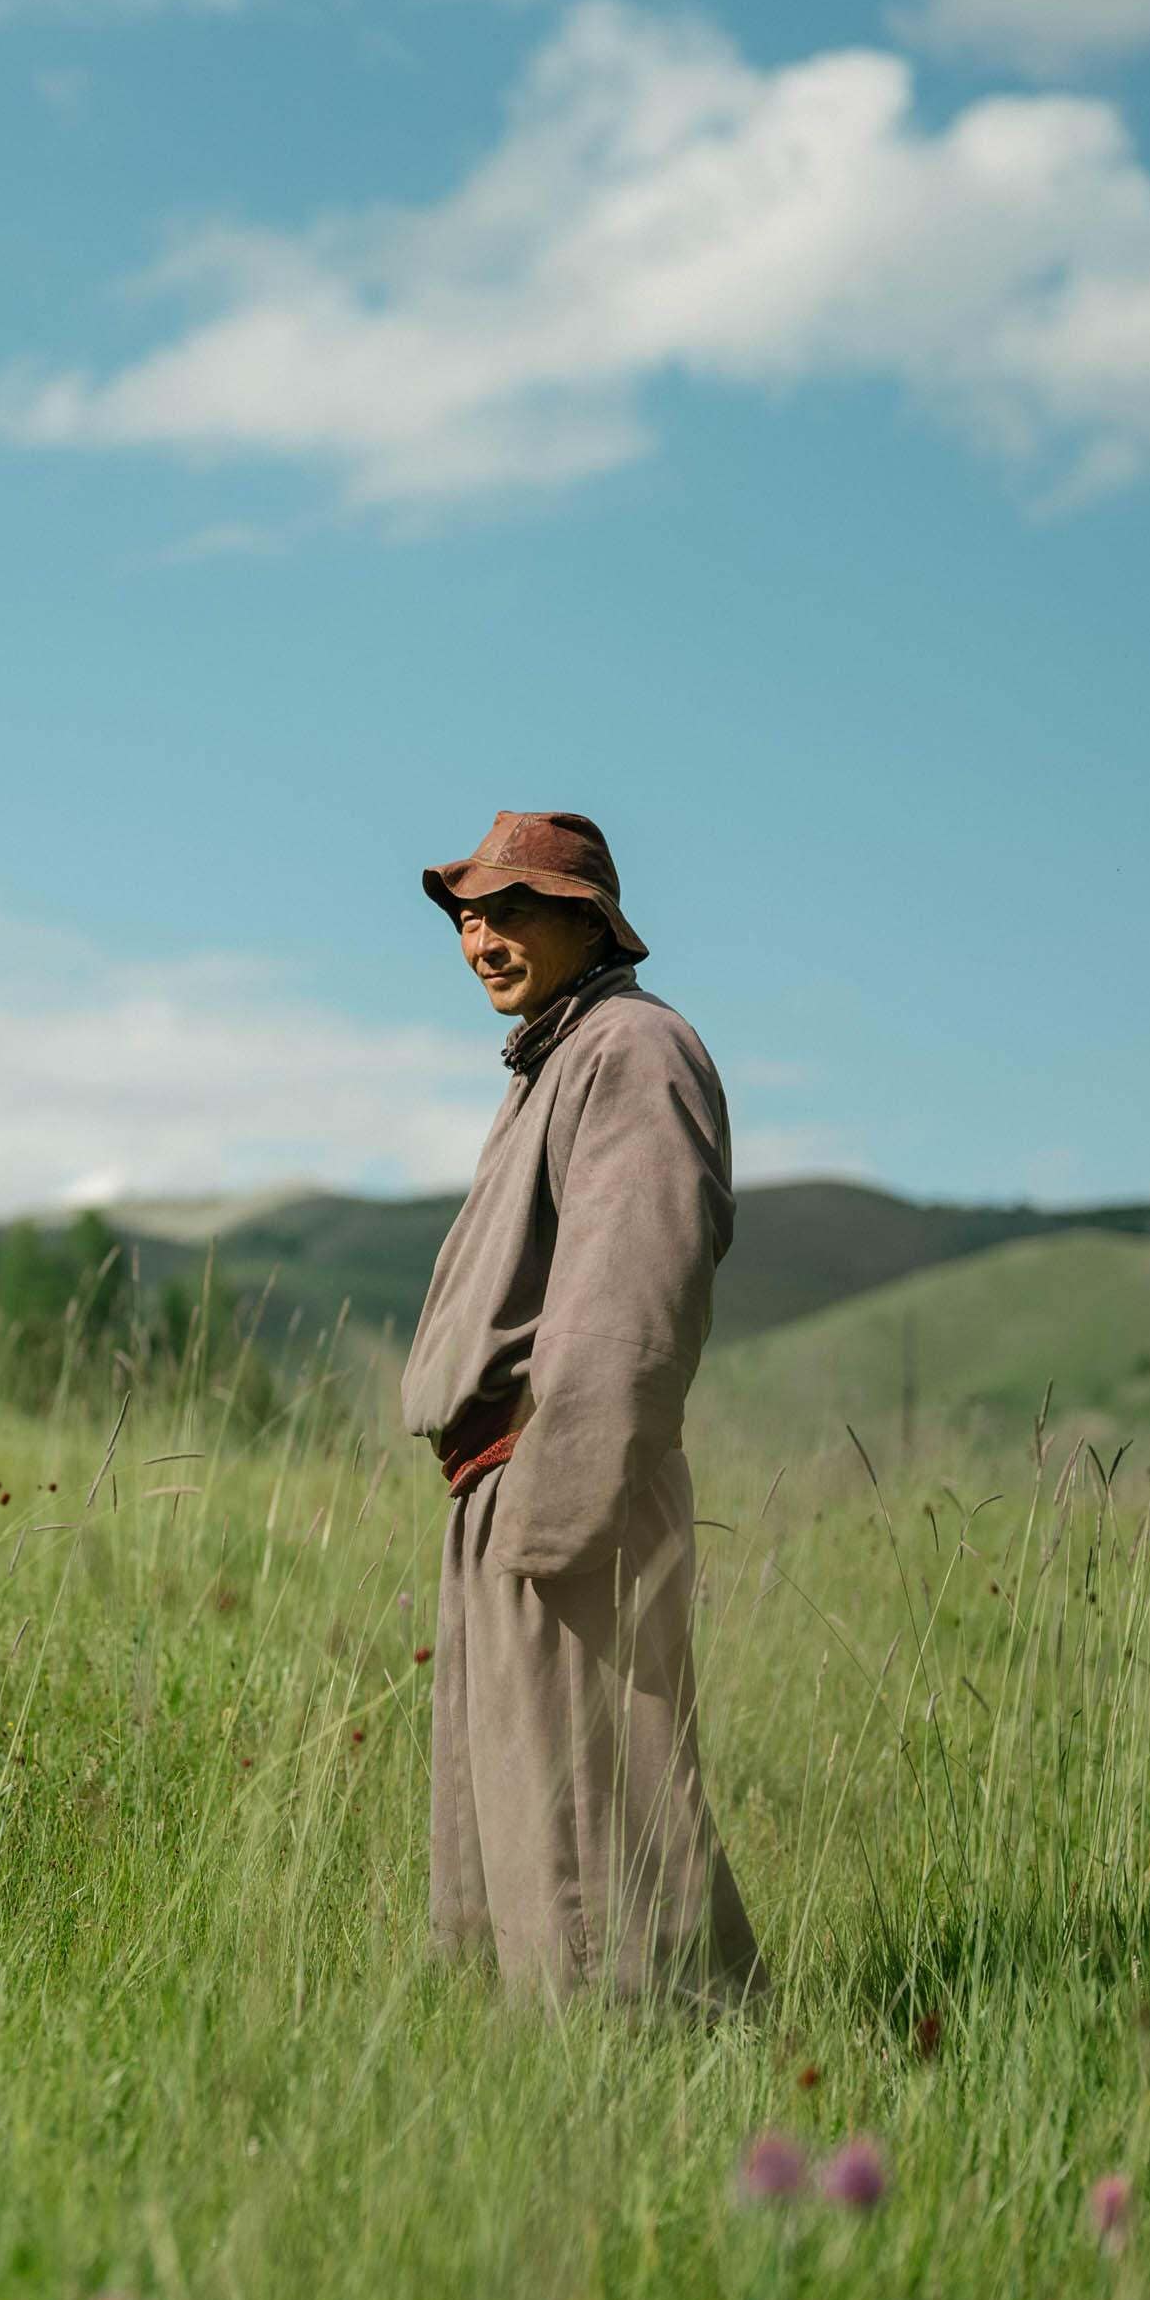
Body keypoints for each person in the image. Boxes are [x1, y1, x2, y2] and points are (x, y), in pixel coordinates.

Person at [399, 810, 764, 2007]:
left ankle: (668, 2076)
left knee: (597, 1829)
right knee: (531, 1825)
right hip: (513, 1487)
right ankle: (578, 2077)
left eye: (511, 910)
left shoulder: (633, 1050)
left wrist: (558, 1514)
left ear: (586, 920)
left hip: (565, 1488)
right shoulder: (563, 1055)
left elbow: (631, 1297)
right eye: (468, 915)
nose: (482, 937)